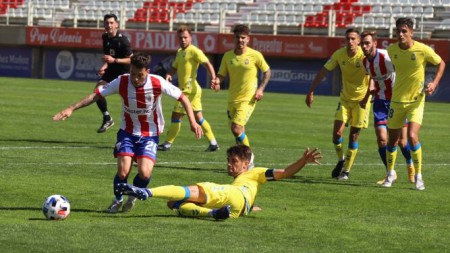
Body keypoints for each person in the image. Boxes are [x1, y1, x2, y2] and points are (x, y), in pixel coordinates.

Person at [53, 53, 203, 213]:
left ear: (147, 71)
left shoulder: (157, 82)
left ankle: (132, 197)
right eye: (133, 74)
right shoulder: (122, 81)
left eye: (140, 75)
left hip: (150, 134)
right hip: (128, 132)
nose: (136, 79)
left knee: (144, 174)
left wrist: (193, 122)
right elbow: (96, 95)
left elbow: (183, 98)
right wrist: (71, 108)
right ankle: (117, 200)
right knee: (123, 171)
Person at [115, 144, 322, 220]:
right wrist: (252, 207)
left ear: (246, 164)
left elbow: (285, 172)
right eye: (228, 161)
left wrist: (303, 161)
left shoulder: (256, 172)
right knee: (178, 206)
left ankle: (146, 192)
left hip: (233, 197)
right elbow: (247, 203)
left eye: (234, 162)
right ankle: (212, 215)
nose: (230, 165)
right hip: (233, 210)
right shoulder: (244, 184)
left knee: (192, 190)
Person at [383, 18, 446, 190]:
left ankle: (419, 177)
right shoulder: (392, 50)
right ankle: (390, 174)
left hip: (416, 101)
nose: (401, 34)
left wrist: (434, 83)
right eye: (398, 31)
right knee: (392, 141)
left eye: (404, 31)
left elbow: (441, 63)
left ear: (412, 32)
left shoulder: (423, 49)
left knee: (412, 136)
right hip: (396, 101)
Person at [306, 29, 371, 180]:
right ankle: (341, 160)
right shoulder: (339, 54)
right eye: (348, 38)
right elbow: (323, 71)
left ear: (359, 41)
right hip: (345, 99)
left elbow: (373, 76)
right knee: (336, 135)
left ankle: (346, 171)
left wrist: (369, 95)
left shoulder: (364, 57)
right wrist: (311, 91)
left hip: (361, 102)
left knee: (353, 136)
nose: (350, 42)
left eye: (353, 39)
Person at [360, 30, 415, 184]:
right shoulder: (365, 62)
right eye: (362, 43)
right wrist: (366, 97)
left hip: (396, 102)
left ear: (374, 44)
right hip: (379, 101)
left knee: (402, 142)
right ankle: (390, 173)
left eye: (367, 43)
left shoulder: (385, 56)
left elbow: (402, 70)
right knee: (382, 139)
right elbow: (372, 76)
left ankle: (410, 165)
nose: (364, 46)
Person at [158, 25, 219, 152]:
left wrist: (213, 78)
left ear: (191, 38)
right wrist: (169, 74)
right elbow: (174, 67)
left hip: (189, 90)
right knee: (199, 118)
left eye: (185, 37)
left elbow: (207, 63)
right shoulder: (180, 52)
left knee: (176, 116)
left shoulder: (194, 51)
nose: (183, 40)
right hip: (192, 89)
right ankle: (213, 143)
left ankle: (167, 144)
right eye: (180, 38)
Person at [212, 24, 271, 148]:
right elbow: (221, 74)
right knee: (238, 132)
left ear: (248, 39)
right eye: (238, 37)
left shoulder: (255, 55)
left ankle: (249, 158)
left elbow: (267, 71)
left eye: (243, 38)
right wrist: (217, 81)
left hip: (248, 99)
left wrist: (260, 89)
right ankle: (242, 160)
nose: (240, 40)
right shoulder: (228, 56)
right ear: (233, 38)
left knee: (236, 129)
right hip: (232, 99)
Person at [95, 13, 133, 133]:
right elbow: (110, 56)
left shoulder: (123, 40)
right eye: (107, 23)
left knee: (130, 102)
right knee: (97, 92)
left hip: (124, 72)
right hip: (111, 71)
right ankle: (107, 118)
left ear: (116, 24)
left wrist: (115, 60)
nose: (109, 25)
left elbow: (131, 59)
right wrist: (105, 66)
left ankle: (136, 126)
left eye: (111, 23)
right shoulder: (105, 37)